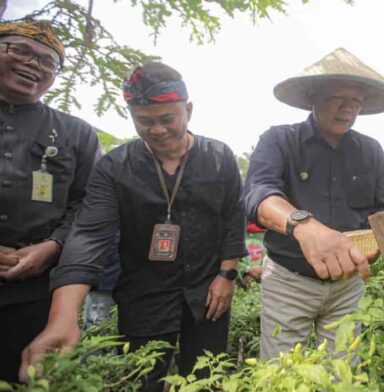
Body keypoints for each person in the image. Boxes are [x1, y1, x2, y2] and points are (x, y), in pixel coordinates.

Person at [21, 62, 248, 391]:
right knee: (143, 379)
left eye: (167, 119)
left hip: (208, 292)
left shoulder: (219, 156)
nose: (157, 130)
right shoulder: (114, 167)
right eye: (144, 121)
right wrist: (63, 318)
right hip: (145, 297)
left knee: (207, 379)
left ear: (188, 110)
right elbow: (89, 236)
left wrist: (227, 275)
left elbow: (232, 216)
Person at [242, 48, 384, 359]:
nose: (347, 108)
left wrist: (370, 244)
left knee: (342, 372)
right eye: (337, 98)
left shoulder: (371, 151)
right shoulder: (278, 141)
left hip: (348, 285)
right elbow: (258, 194)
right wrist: (305, 227)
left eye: (355, 101)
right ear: (313, 97)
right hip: (289, 280)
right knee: (282, 373)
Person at [0, 20, 100, 382]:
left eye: (47, 61)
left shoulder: (76, 134)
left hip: (37, 293)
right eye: (20, 50)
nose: (34, 64)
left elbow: (89, 207)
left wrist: (54, 246)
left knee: (28, 378)